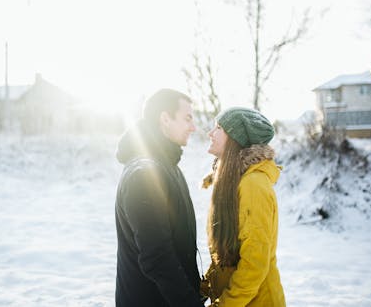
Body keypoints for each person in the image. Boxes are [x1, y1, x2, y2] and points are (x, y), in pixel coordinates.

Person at [115, 88, 204, 307]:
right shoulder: (145, 175)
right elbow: (157, 257)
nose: (193, 127)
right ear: (165, 118)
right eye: (187, 118)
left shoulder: (166, 165)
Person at [201, 107, 286, 307]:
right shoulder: (231, 182)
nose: (210, 133)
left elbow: (254, 264)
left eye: (219, 128)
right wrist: (204, 288)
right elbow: (225, 257)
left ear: (234, 138)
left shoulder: (253, 186)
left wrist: (225, 304)